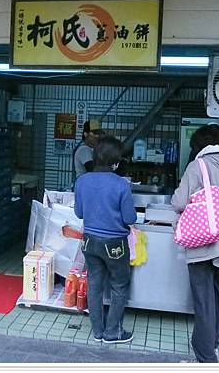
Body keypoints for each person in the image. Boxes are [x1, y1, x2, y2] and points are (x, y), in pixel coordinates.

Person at [171, 124, 219, 363]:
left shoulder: (198, 166)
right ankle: (210, 344)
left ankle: (205, 357)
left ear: (199, 145)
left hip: (204, 242)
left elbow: (178, 201)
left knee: (204, 301)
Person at [74, 136, 137, 344]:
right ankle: (113, 333)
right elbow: (130, 218)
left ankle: (97, 331)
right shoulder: (121, 185)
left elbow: (79, 213)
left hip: (89, 240)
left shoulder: (82, 181)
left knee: (94, 285)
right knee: (119, 285)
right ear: (116, 162)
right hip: (115, 244)